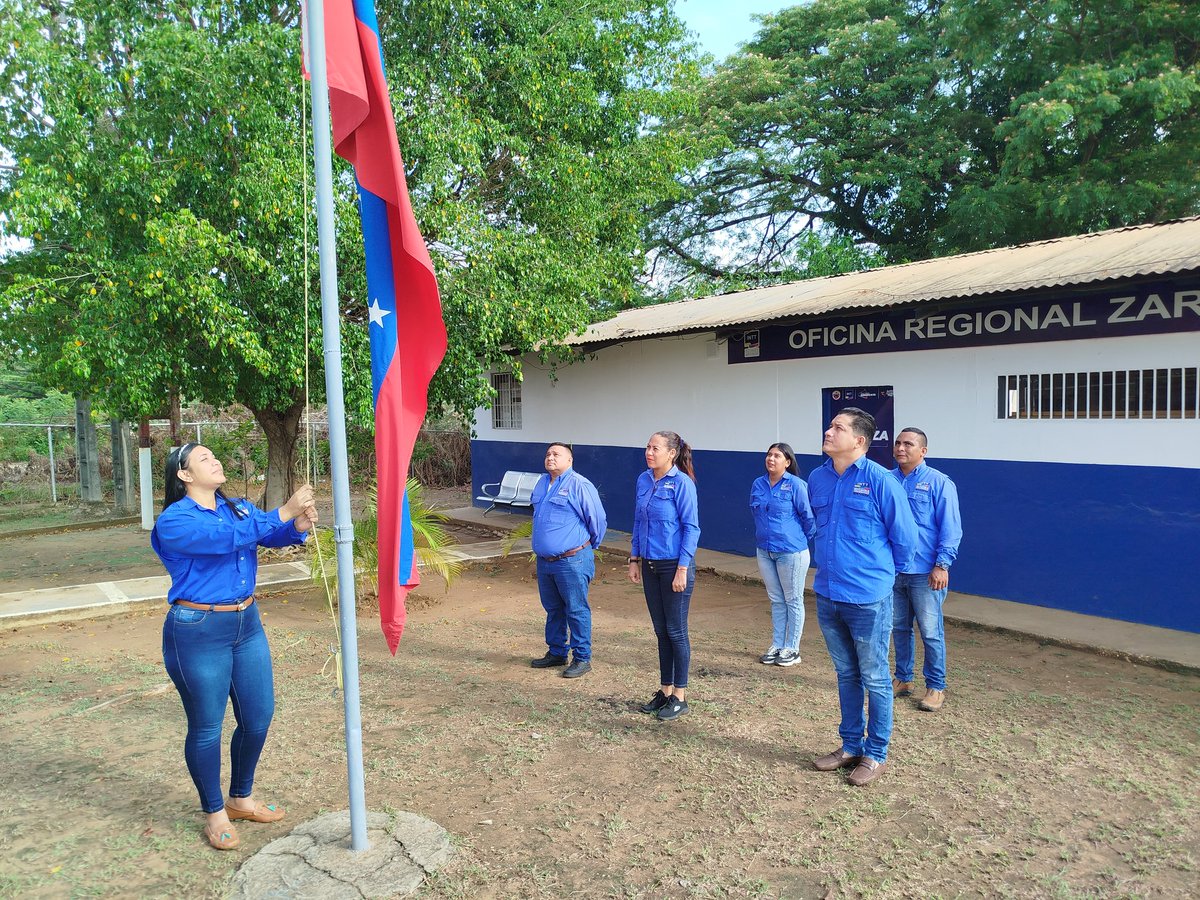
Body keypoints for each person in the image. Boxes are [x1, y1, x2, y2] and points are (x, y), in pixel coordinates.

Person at [151, 442, 317, 851]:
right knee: (207, 725)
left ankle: (240, 798)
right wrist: (285, 509)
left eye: (214, 455)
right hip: (198, 628)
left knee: (259, 716)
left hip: (247, 624)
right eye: (203, 458)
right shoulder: (175, 521)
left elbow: (269, 534)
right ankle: (215, 813)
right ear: (184, 475)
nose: (215, 460)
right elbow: (227, 539)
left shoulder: (237, 507)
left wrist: (296, 525)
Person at [809, 409, 917, 786]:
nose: (828, 430)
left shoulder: (882, 482)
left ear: (859, 440)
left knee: (875, 677)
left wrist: (881, 578)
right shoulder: (817, 478)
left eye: (837, 428)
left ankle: (876, 753)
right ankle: (851, 745)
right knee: (846, 673)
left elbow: (905, 540)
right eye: (830, 425)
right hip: (827, 593)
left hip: (868, 598)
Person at [628, 431, 700, 721]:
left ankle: (680, 697)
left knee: (676, 631)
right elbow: (637, 520)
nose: (649, 452)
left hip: (674, 566)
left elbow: (691, 528)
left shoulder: (682, 484)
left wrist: (683, 568)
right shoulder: (643, 480)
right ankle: (665, 690)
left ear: (671, 453)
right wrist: (634, 558)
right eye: (647, 446)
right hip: (650, 565)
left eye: (655, 448)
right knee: (661, 631)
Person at [891, 428, 963, 712]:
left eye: (908, 444)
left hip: (926, 572)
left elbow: (951, 529)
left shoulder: (939, 483)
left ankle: (935, 687)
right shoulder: (887, 480)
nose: (900, 448)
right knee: (898, 627)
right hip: (894, 570)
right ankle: (904, 679)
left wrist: (942, 565)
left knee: (931, 632)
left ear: (923, 451)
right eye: (897, 443)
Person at [528, 442, 608, 678]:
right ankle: (556, 652)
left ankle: (582, 658)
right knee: (553, 609)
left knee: (576, 609)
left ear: (570, 460)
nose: (550, 457)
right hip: (545, 562)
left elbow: (598, 520)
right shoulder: (542, 483)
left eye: (557, 454)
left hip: (572, 560)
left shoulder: (580, 485)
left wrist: (585, 546)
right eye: (548, 454)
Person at [750, 442, 816, 667]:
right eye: (769, 454)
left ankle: (792, 649)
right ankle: (777, 644)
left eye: (777, 456)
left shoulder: (797, 485)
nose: (771, 459)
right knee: (776, 599)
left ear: (787, 462)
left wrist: (796, 540)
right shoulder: (758, 484)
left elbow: (809, 518)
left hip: (791, 552)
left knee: (793, 600)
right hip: (765, 550)